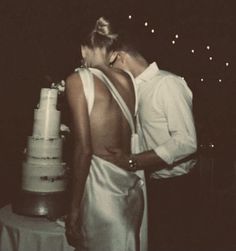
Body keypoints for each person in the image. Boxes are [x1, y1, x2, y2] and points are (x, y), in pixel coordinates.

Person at [103, 28, 198, 251]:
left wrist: (133, 161)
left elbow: (186, 141)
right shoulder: (136, 90)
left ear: (121, 57)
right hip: (152, 183)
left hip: (177, 189)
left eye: (111, 66)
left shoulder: (167, 83)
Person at [64, 17, 147, 251]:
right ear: (113, 54)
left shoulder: (78, 80)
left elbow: (84, 149)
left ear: (83, 48)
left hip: (101, 193)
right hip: (129, 189)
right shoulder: (127, 79)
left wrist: (73, 209)